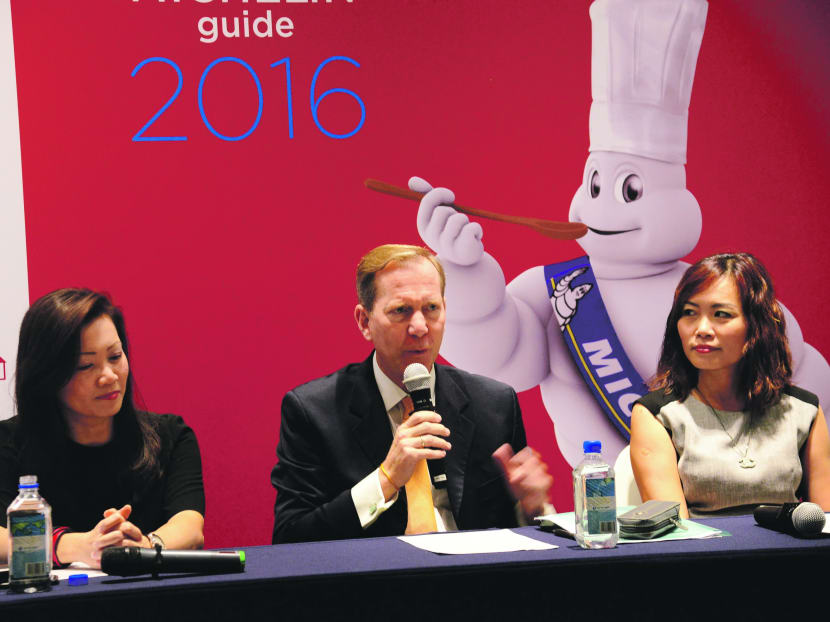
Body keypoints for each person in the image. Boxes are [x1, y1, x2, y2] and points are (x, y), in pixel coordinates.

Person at [271, 244, 553, 543]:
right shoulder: (313, 411)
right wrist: (386, 479)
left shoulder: (493, 403)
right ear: (364, 321)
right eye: (401, 311)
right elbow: (291, 538)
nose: (420, 327)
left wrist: (533, 507)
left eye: (431, 308)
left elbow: (515, 533)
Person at [0, 289, 205, 568]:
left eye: (115, 356)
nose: (109, 376)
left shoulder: (171, 435)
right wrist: (73, 546)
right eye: (86, 365)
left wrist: (144, 547)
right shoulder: (8, 443)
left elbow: (190, 526)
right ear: (47, 375)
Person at [630, 253, 830, 518]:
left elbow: (825, 522)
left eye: (721, 314)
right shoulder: (656, 414)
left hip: (791, 556)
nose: (701, 329)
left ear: (757, 326)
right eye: (689, 313)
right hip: (701, 557)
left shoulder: (804, 411)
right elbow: (674, 533)